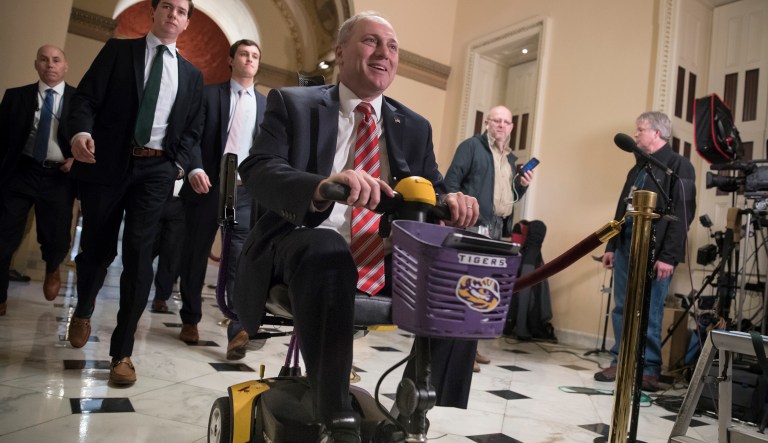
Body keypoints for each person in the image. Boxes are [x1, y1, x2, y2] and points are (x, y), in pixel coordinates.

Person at [233, 12, 478, 441]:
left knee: (458, 256)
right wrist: (323, 186)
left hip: (381, 255)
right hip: (300, 245)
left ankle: (425, 394)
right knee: (326, 245)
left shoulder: (414, 127)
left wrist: (450, 202)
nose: (385, 53)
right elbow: (258, 169)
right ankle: (334, 410)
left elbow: (432, 193)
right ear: (341, 52)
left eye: (393, 46)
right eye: (371, 42)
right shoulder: (293, 103)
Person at [67, 0, 203, 386]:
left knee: (141, 257)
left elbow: (192, 130)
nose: (173, 14)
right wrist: (79, 133)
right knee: (97, 248)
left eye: (181, 10)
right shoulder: (119, 50)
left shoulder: (191, 75)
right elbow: (85, 99)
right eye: (167, 6)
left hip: (157, 170)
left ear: (187, 23)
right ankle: (84, 308)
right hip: (108, 162)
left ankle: (122, 352)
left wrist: (184, 165)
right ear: (154, 13)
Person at [594, 111, 696, 391]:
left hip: (656, 252)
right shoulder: (637, 168)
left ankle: (649, 368)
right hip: (627, 246)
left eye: (640, 130)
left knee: (650, 310)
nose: (636, 134)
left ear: (657, 133)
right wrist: (612, 245)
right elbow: (621, 208)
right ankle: (620, 360)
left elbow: (683, 214)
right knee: (622, 307)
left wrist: (668, 256)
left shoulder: (680, 166)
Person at [177, 39, 266, 352]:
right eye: (243, 54)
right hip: (207, 185)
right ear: (231, 60)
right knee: (195, 254)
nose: (249, 59)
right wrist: (194, 169)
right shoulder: (209, 94)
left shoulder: (266, 105)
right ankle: (190, 318)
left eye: (255, 56)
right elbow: (193, 138)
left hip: (244, 192)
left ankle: (238, 330)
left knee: (239, 261)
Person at [444, 105, 534, 371]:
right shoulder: (470, 147)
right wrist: (458, 212)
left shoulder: (510, 159)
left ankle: (471, 347)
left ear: (511, 127)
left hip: (495, 230)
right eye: (497, 120)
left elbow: (508, 197)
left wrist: (522, 185)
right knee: (464, 289)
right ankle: (459, 352)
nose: (502, 126)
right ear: (487, 123)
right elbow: (450, 183)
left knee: (482, 290)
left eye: (506, 122)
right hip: (471, 226)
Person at [0, 45, 77, 317]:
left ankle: (53, 267)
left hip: (59, 177)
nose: (50, 65)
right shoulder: (15, 97)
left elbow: (95, 139)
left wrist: (76, 160)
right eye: (44, 60)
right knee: (4, 235)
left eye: (56, 60)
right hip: (21, 172)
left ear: (65, 66)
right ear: (36, 65)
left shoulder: (79, 100)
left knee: (55, 237)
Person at [149, 178, 185, 313]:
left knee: (171, 253)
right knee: (147, 250)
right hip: (156, 196)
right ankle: (137, 294)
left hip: (181, 202)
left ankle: (161, 297)